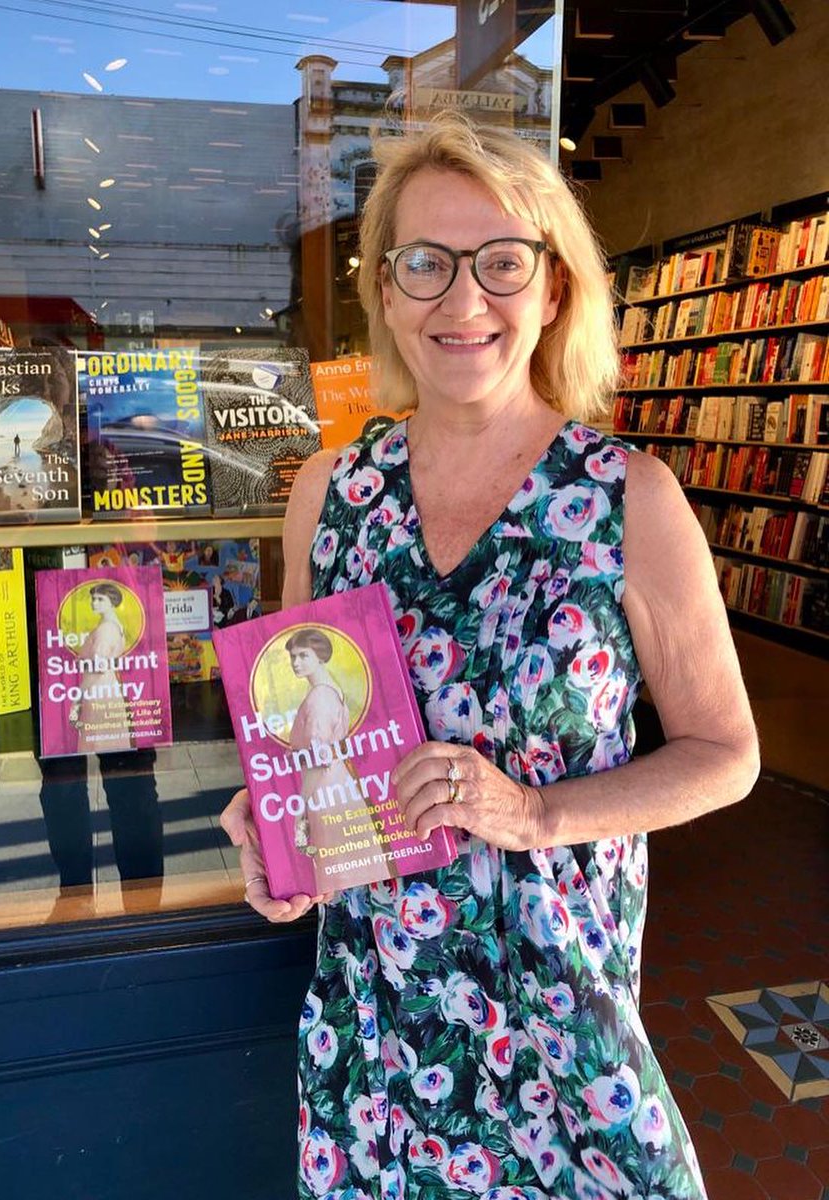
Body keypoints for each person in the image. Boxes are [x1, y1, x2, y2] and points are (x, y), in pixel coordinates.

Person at [221, 114, 759, 1200]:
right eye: (425, 264)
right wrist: (271, 818)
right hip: (375, 1027)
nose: (463, 302)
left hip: (561, 1020)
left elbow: (727, 753)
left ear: (553, 288)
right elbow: (288, 720)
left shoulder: (628, 499)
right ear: (385, 292)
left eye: (502, 262)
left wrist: (538, 814)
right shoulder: (331, 493)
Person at [283, 628, 383, 890]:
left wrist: (301, 807)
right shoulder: (331, 690)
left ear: (321, 657)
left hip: (324, 791)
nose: (296, 662)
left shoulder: (320, 697)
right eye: (293, 657)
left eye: (303, 655)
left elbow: (318, 760)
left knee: (337, 868)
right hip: (339, 786)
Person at [69, 583, 132, 754]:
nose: (94, 603)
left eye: (100, 599)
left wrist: (77, 699)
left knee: (99, 743)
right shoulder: (113, 625)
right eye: (93, 598)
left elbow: (97, 668)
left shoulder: (106, 629)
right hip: (107, 687)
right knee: (107, 742)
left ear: (111, 602)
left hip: (97, 690)